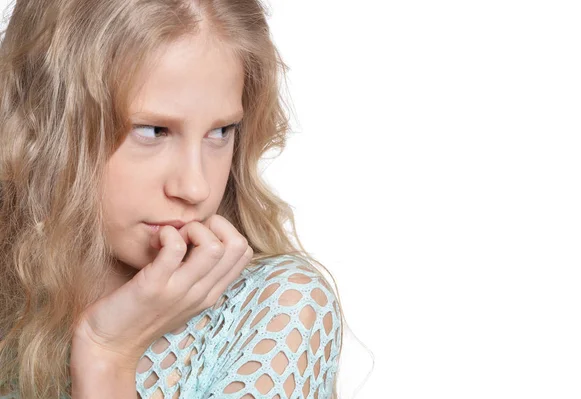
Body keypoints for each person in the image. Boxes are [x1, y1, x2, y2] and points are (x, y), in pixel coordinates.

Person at [0, 0, 345, 397]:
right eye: (154, 131)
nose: (195, 187)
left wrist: (107, 356)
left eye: (220, 132)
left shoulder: (279, 308)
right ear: (44, 126)